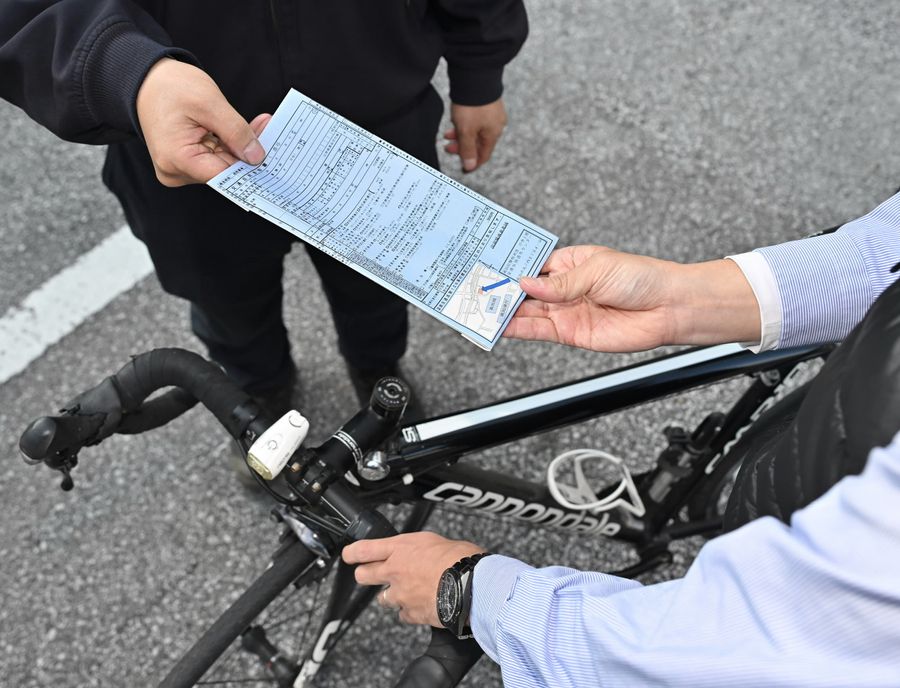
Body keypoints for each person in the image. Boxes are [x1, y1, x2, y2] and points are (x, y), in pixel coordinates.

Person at [343, 191, 900, 686]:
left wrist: (474, 595)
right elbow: (887, 250)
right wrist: (682, 298)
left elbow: (748, 650)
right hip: (827, 445)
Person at [0, 0, 527, 410]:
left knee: (378, 288)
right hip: (188, 149)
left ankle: (378, 374)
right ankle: (258, 398)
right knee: (226, 303)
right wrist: (125, 69)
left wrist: (479, 70)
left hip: (377, 122)